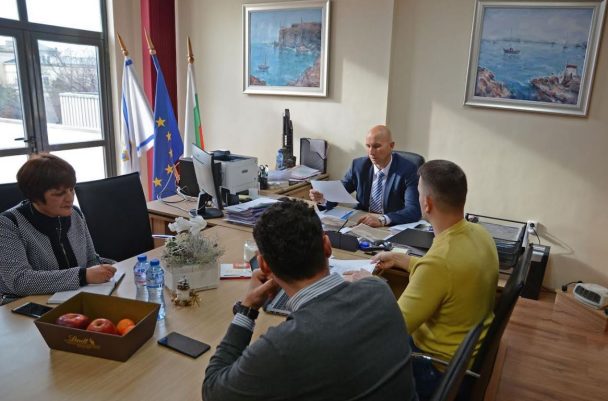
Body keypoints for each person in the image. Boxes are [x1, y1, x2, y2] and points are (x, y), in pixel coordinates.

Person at [203, 200, 417, 401]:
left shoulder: (283, 346)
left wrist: (247, 309)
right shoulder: (379, 289)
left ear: (264, 265)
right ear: (327, 246)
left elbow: (213, 391)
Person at [371, 160, 499, 399]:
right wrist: (401, 259)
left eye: (419, 192)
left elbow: (393, 328)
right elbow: (447, 275)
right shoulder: (480, 233)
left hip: (436, 368)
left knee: (367, 352)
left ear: (427, 203)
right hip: (465, 356)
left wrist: (370, 285)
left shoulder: (438, 262)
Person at [0, 154, 116, 302]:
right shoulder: (9, 224)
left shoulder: (75, 214)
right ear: (35, 197)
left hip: (76, 297)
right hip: (27, 304)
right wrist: (83, 276)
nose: (70, 198)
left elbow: (91, 260)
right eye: (59, 193)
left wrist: (113, 268)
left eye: (71, 189)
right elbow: (19, 280)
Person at [309, 125, 421, 227]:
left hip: (391, 225)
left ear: (391, 146)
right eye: (368, 146)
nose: (371, 152)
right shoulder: (358, 166)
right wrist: (323, 199)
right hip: (362, 221)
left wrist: (382, 220)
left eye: (376, 146)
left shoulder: (408, 169)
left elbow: (414, 210)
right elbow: (339, 193)